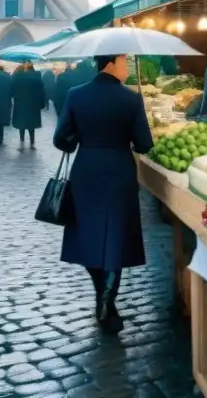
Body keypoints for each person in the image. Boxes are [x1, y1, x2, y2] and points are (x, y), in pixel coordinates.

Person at [54, 54, 153, 334]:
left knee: (89, 235)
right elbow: (144, 144)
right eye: (124, 63)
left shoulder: (76, 94)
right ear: (109, 64)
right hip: (119, 171)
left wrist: (82, 135)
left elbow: (61, 139)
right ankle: (106, 300)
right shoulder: (132, 99)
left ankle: (102, 295)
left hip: (86, 171)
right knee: (116, 237)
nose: (126, 69)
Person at [12, 62, 46, 147]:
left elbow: (13, 89)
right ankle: (32, 141)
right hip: (33, 104)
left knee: (21, 123)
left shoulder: (18, 77)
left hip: (21, 103)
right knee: (32, 123)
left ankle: (22, 139)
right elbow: (42, 92)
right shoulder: (37, 77)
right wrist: (42, 103)